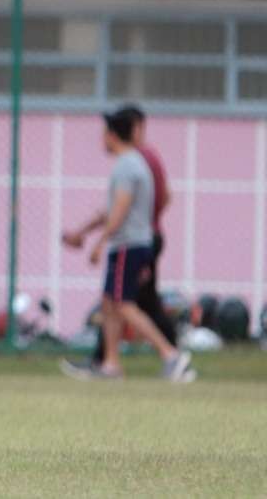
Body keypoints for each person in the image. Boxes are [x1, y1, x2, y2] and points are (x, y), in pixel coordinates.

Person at [62, 110, 193, 381]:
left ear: (111, 135)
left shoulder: (126, 166)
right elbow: (112, 210)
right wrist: (82, 232)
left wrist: (99, 244)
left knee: (123, 304)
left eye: (104, 135)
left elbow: (118, 211)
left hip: (128, 245)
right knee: (109, 303)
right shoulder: (134, 164)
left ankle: (170, 355)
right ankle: (110, 363)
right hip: (133, 243)